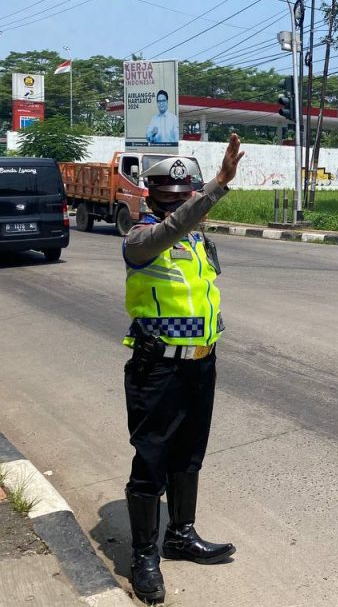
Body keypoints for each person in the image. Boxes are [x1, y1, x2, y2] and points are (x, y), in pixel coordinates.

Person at [121, 134, 244, 605]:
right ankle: (144, 556)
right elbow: (171, 228)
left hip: (199, 366)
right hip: (157, 370)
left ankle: (181, 535)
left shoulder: (199, 242)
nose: (176, 203)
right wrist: (217, 185)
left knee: (190, 455)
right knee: (151, 460)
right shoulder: (141, 240)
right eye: (166, 197)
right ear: (149, 195)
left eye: (183, 196)